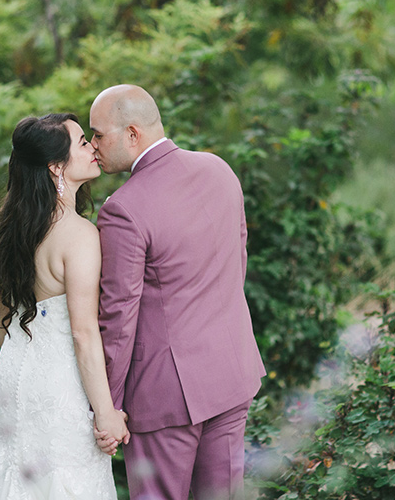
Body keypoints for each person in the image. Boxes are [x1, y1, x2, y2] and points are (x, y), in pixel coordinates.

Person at [89, 85, 265, 500]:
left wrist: (108, 408)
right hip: (230, 371)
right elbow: (235, 267)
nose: (93, 144)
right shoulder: (219, 169)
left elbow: (118, 320)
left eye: (98, 134)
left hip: (166, 398)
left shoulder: (123, 209)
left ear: (132, 134)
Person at [0, 113, 127, 499]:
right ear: (56, 166)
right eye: (81, 143)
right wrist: (106, 413)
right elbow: (83, 333)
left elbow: (1, 315)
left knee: (15, 477)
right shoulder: (79, 234)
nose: (92, 147)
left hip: (12, 372)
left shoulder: (3, 229)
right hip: (61, 384)